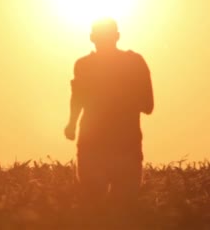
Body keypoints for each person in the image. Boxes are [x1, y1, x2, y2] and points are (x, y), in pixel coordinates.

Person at [64, 17, 154, 214]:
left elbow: (77, 97)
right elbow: (148, 105)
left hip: (96, 145)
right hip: (124, 145)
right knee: (122, 208)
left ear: (91, 38)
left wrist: (71, 125)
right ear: (118, 36)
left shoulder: (84, 65)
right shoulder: (134, 62)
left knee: (93, 207)